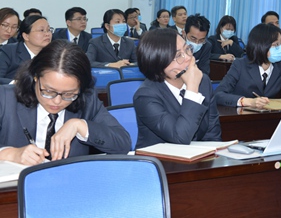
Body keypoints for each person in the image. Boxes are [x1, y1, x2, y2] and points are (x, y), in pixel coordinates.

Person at [0, 40, 131, 165]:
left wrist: (80, 125)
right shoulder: (5, 98)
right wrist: (11, 154)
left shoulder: (87, 100)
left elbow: (123, 143)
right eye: (48, 91)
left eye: (69, 94)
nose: (57, 101)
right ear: (35, 77)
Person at [133, 29, 221, 149]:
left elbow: (213, 133)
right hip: (161, 158)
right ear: (158, 63)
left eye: (187, 49)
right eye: (178, 55)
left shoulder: (203, 81)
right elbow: (180, 137)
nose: (188, 57)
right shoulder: (145, 96)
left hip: (197, 156)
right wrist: (192, 89)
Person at [214, 23, 281, 108]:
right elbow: (218, 94)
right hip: (240, 118)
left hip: (267, 118)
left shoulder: (280, 66)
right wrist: (246, 101)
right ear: (260, 46)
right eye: (276, 45)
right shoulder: (240, 65)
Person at [0, 15, 53, 85]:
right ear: (26, 36)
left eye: (49, 30)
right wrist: (17, 83)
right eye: (41, 30)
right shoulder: (8, 51)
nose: (47, 34)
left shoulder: (52, 54)